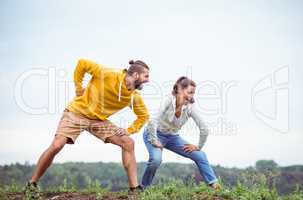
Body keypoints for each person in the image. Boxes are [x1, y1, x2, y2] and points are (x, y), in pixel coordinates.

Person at [25, 59, 150, 197]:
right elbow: (82, 63)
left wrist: (129, 130)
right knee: (56, 145)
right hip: (77, 112)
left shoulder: (134, 97)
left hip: (98, 121)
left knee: (128, 142)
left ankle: (134, 190)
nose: (148, 80)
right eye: (146, 76)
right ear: (136, 75)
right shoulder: (108, 74)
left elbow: (143, 116)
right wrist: (78, 88)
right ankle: (32, 184)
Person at [141, 76, 219, 189]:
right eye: (190, 92)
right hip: (154, 133)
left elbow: (204, 128)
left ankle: (214, 185)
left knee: (200, 155)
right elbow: (152, 121)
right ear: (180, 90)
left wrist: (198, 146)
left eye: (193, 93)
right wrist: (154, 140)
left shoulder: (190, 107)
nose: (192, 96)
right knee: (156, 160)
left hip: (172, 138)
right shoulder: (168, 100)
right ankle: (143, 188)